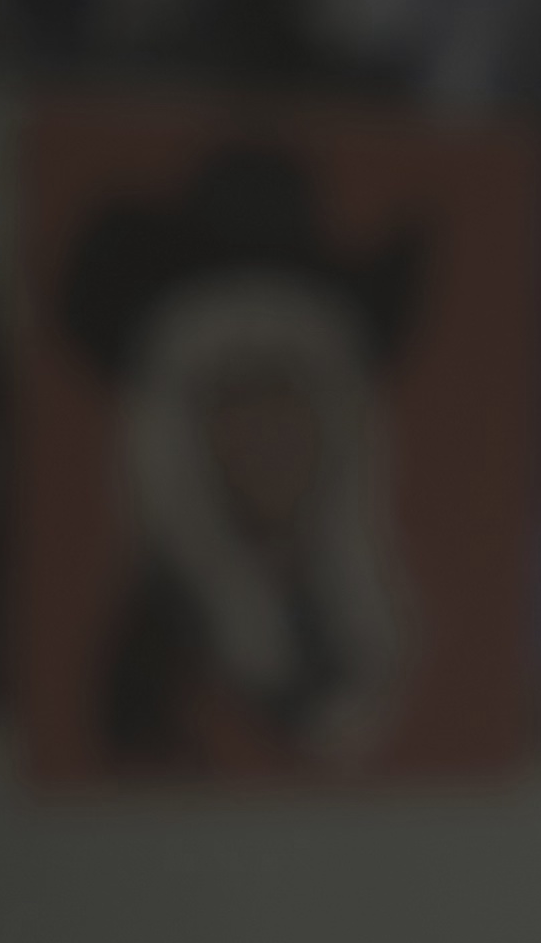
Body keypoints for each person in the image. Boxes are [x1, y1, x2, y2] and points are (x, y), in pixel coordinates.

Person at [63, 144, 420, 773]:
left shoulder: (361, 637)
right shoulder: (151, 669)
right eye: (233, 395)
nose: (267, 429)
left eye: (288, 389)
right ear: (177, 436)